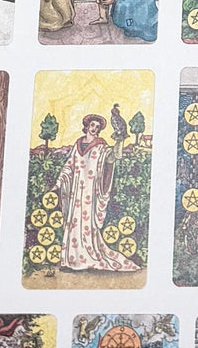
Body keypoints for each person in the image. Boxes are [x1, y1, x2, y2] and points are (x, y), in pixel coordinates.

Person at [55, 115, 137, 273]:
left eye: (97, 127)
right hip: (75, 192)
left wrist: (120, 140)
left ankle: (87, 258)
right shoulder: (78, 144)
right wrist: (58, 183)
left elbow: (113, 157)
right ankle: (71, 260)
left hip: (90, 192)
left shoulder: (101, 146)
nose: (94, 128)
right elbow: (69, 165)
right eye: (92, 125)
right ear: (87, 126)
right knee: (73, 223)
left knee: (86, 224)